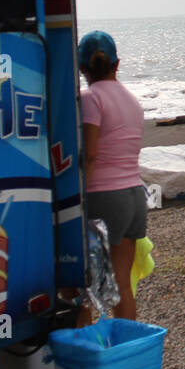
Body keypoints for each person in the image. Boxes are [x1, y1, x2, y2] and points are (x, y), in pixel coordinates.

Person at [78, 30, 146, 320]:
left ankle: (83, 353)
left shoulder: (90, 98)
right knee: (122, 283)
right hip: (135, 196)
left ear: (81, 69)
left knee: (78, 285)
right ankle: (126, 348)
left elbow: (90, 154)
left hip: (103, 196)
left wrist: (77, 197)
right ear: (117, 64)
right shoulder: (133, 101)